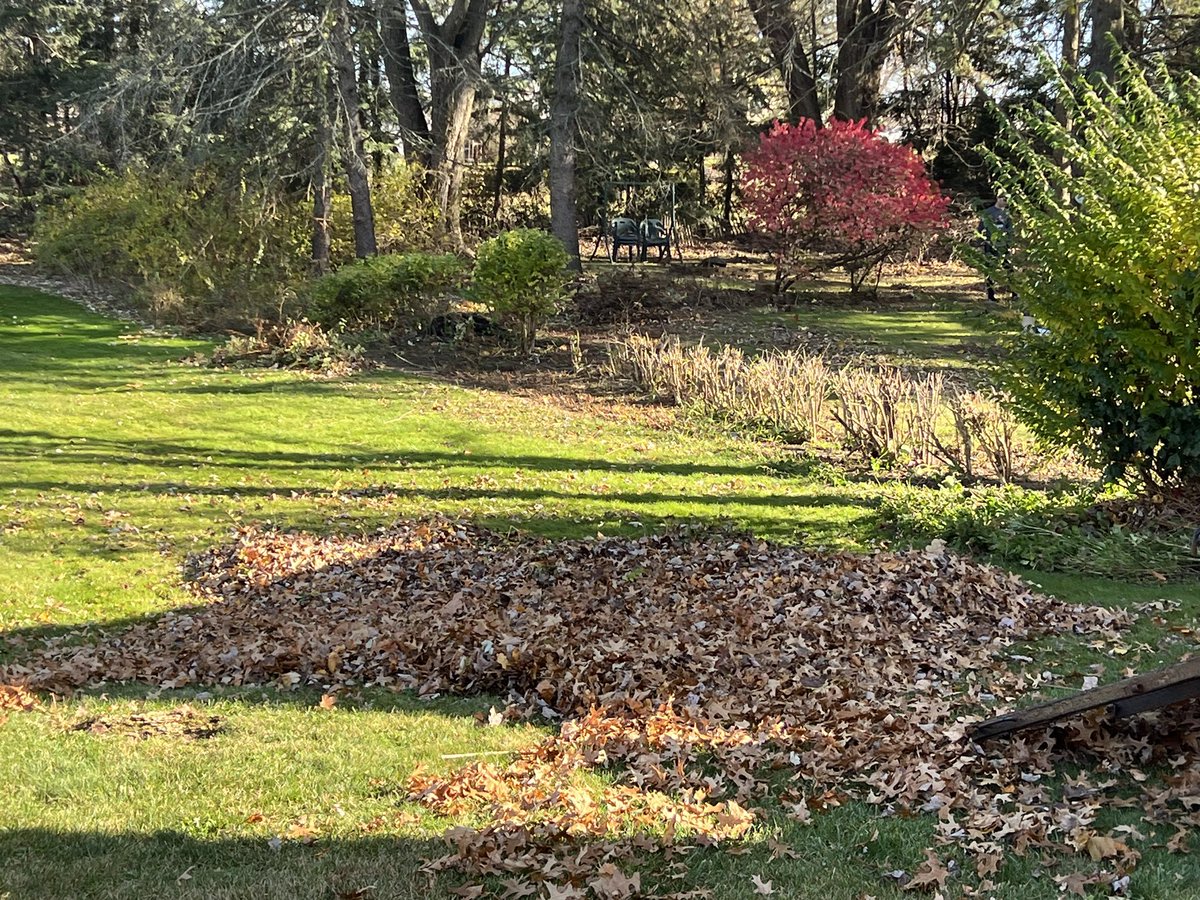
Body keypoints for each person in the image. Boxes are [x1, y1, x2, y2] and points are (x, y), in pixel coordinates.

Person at [979, 195, 1013, 303]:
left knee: (1009, 269)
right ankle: (991, 296)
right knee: (990, 270)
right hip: (990, 245)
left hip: (1003, 246)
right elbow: (981, 229)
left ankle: (1015, 293)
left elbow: (1010, 229)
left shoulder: (1007, 214)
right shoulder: (988, 212)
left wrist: (1010, 244)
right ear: (998, 198)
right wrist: (983, 240)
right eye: (1004, 199)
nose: (1006, 202)